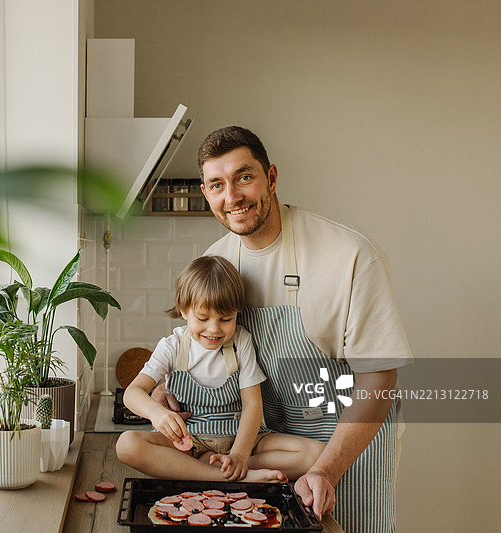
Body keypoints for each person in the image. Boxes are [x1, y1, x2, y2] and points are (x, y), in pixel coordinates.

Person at [152, 126, 412, 533]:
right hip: (262, 452)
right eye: (217, 184)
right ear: (206, 194)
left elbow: (378, 381)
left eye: (244, 177)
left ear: (271, 178)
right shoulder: (217, 260)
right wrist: (168, 388)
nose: (232, 196)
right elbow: (207, 350)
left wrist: (325, 470)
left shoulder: (350, 256)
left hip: (346, 453)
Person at [116, 255, 325, 483]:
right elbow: (132, 393)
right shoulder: (172, 346)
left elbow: (253, 405)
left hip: (241, 438)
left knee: (316, 453)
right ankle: (226, 476)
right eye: (203, 318)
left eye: (226, 319)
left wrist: (239, 455)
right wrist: (156, 414)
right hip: (191, 441)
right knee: (127, 445)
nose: (214, 329)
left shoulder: (241, 341)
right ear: (184, 310)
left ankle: (217, 468)